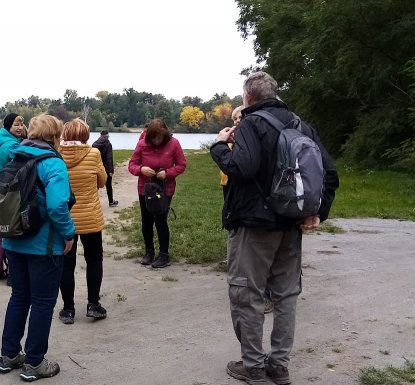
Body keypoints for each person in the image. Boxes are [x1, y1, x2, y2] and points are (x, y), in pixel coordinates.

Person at [210, 72, 339, 385]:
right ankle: (279, 366)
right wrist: (317, 212)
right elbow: (330, 174)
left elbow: (241, 167)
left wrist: (218, 147)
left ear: (249, 97)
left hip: (254, 226)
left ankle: (253, 366)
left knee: (246, 294)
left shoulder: (251, 124)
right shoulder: (300, 125)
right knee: (286, 296)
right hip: (291, 223)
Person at [0, 114, 75, 382]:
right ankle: (35, 362)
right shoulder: (52, 163)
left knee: (19, 297)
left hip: (13, 240)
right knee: (42, 303)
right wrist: (69, 233)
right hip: (44, 247)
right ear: (55, 136)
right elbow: (56, 206)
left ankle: (8, 356)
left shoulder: (14, 157)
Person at [220, 105, 275, 315]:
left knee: (259, 254)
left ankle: (265, 296)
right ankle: (260, 293)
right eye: (234, 119)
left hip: (257, 207)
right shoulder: (242, 138)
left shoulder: (254, 137)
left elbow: (243, 168)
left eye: (239, 118)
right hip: (237, 196)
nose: (236, 123)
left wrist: (220, 148)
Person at [58, 119, 108, 324]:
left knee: (66, 264)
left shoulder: (56, 154)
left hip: (65, 218)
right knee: (94, 260)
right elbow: (102, 181)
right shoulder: (94, 153)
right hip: (90, 217)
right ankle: (93, 304)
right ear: (86, 135)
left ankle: (68, 309)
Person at [127, 118, 187, 268]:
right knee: (146, 221)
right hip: (145, 189)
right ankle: (149, 252)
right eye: (153, 138)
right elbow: (132, 165)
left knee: (161, 220)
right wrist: (141, 169)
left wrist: (168, 173)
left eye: (159, 137)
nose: (156, 141)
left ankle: (164, 255)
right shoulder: (142, 144)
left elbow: (181, 165)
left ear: (165, 134)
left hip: (165, 189)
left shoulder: (174, 143)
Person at [0, 112, 27, 283]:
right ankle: (13, 273)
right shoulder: (12, 146)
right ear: (8, 127)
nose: (20, 128)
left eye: (21, 124)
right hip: (11, 192)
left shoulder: (0, 142)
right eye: (16, 125)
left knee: (3, 230)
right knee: (13, 230)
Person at [91, 129, 118, 207]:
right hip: (106, 168)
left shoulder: (94, 144)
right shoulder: (108, 144)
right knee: (108, 185)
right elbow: (109, 158)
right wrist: (111, 170)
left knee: (95, 186)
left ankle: (94, 203)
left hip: (96, 167)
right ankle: (111, 201)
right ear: (107, 136)